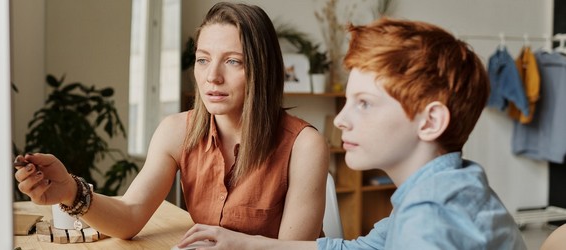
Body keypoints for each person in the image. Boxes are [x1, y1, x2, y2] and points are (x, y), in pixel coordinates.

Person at [175, 18, 528, 249]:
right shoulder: (445, 187)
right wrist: (241, 242)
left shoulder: (431, 218)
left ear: (430, 121)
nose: (341, 120)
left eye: (364, 104)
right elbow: (360, 249)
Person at [14, 2, 329, 241]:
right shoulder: (176, 131)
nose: (212, 77)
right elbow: (130, 215)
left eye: (233, 61)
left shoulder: (305, 146)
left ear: (263, 70)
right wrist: (70, 191)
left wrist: (236, 244)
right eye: (203, 59)